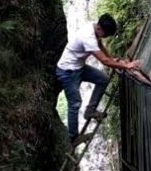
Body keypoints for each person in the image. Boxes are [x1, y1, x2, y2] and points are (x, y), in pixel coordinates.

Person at [55, 13, 141, 144]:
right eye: (105, 34)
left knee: (103, 79)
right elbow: (104, 61)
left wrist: (112, 58)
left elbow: (100, 46)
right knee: (75, 103)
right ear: (100, 29)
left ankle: (90, 111)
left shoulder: (95, 27)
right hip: (68, 71)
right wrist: (127, 65)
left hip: (78, 67)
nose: (105, 37)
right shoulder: (88, 37)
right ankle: (73, 138)